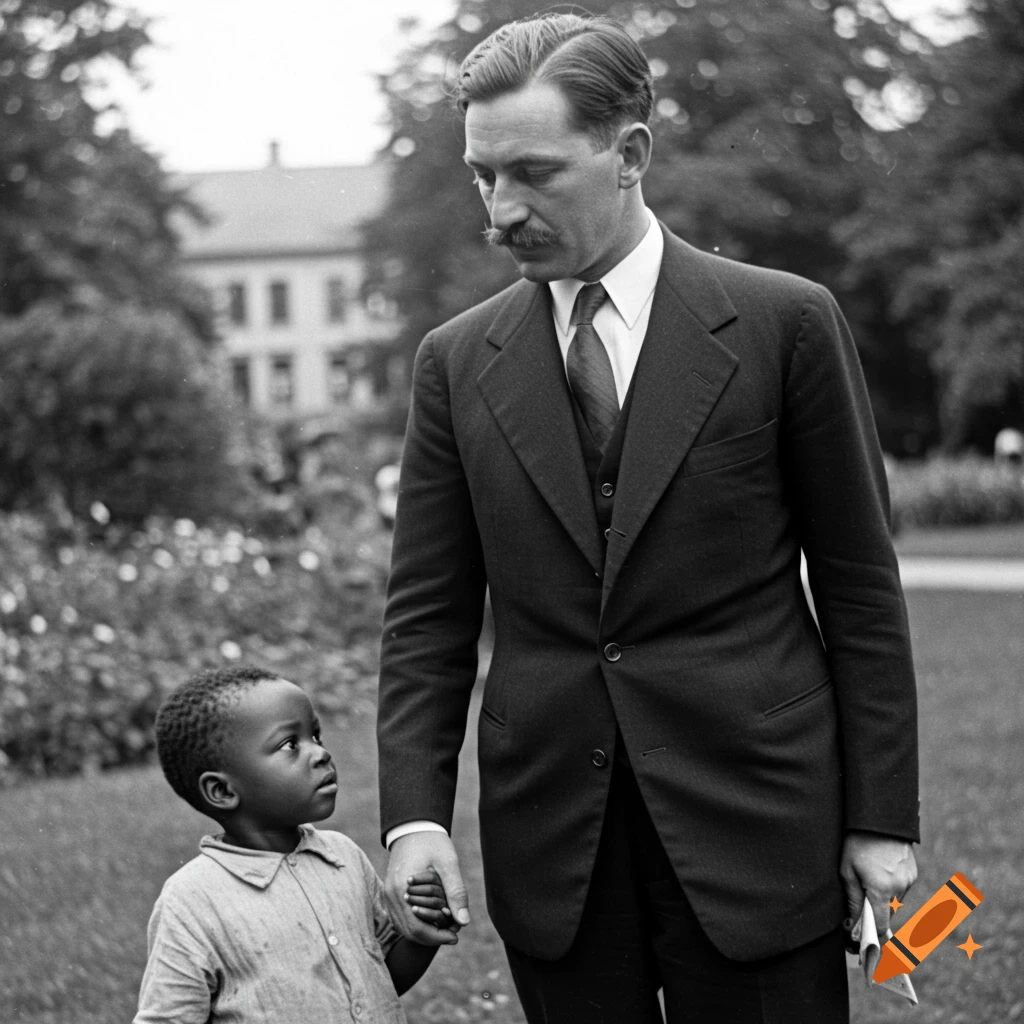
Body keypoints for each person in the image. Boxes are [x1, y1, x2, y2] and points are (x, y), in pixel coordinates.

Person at [377, 13, 920, 1023]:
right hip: (555, 843)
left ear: (630, 154)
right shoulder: (453, 362)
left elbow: (857, 585)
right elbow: (426, 618)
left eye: (534, 172)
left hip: (758, 820)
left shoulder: (784, 324)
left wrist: (879, 817)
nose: (502, 211)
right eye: (483, 177)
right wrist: (413, 814)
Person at [135, 665, 457, 1024]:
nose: (320, 753)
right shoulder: (192, 901)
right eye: (290, 744)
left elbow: (382, 978)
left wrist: (423, 928)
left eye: (315, 736)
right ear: (223, 791)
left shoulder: (343, 857)